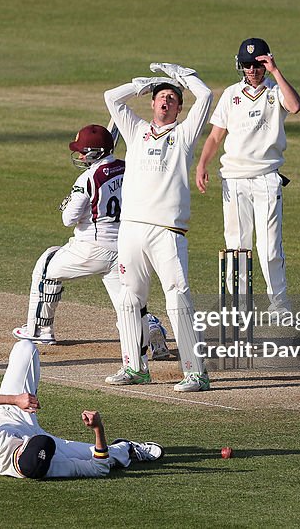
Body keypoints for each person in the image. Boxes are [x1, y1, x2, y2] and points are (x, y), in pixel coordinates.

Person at [12, 124, 170, 361]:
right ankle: (152, 329)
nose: (80, 156)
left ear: (94, 153)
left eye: (83, 152)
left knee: (46, 265)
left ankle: (39, 329)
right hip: (126, 249)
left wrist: (69, 201)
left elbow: (69, 219)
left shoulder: (87, 178)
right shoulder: (130, 169)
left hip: (91, 249)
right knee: (128, 305)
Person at [103, 63, 214, 392]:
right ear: (151, 103)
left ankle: (196, 373)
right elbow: (111, 98)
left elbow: (206, 95)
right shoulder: (135, 130)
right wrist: (143, 83)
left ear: (180, 108)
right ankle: (134, 367)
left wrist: (183, 76)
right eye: (160, 97)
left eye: (172, 99)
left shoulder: (183, 135)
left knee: (177, 297)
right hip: (132, 229)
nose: (165, 102)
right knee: (128, 299)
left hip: (167, 230)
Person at [195, 38, 300, 315]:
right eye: (247, 65)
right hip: (234, 179)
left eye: (258, 64)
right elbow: (216, 136)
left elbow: (296, 106)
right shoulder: (231, 95)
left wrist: (276, 71)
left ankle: (280, 303)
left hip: (266, 177)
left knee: (269, 248)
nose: (252, 70)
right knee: (237, 245)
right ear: (239, 65)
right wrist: (202, 164)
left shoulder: (275, 92)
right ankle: (241, 306)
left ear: (266, 63)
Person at [0, 339, 164, 479]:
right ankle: (128, 448)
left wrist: (15, 400)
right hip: (22, 445)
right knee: (102, 455)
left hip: (7, 421)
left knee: (25, 347)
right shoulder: (52, 466)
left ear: (22, 447)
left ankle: (9, 415)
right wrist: (98, 429)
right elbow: (98, 469)